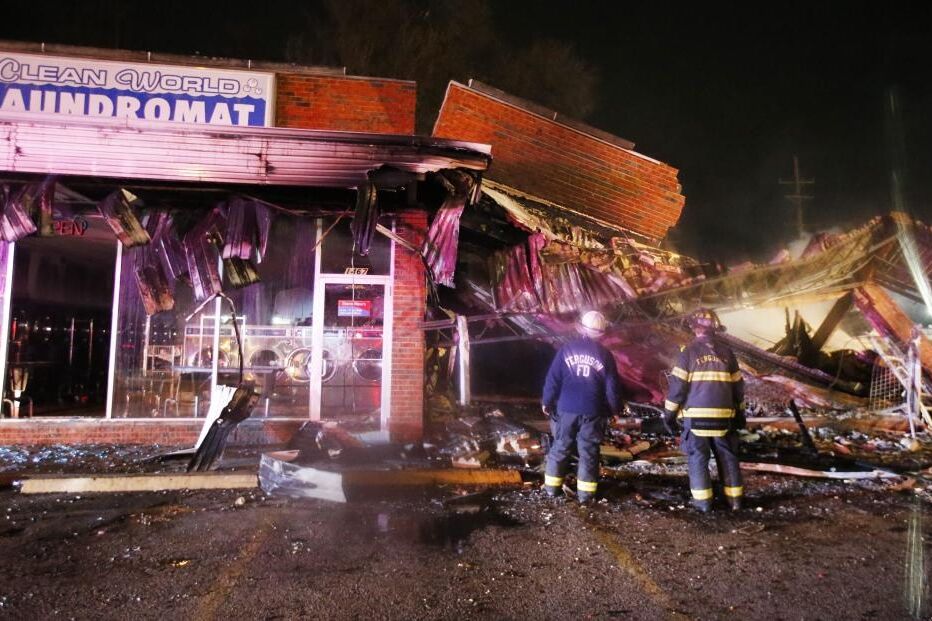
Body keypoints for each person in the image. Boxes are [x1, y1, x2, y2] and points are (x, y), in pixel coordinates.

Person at [663, 308, 746, 512]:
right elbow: (738, 388)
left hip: (696, 418)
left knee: (698, 458)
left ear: (693, 327)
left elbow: (677, 389)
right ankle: (735, 502)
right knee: (727, 457)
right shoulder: (727, 354)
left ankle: (703, 504)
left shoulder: (688, 353)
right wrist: (740, 414)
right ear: (715, 329)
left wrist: (669, 415)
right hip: (724, 418)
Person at [542, 310, 624, 503]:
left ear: (581, 328)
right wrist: (615, 410)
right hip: (593, 410)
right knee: (588, 451)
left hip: (566, 408)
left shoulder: (566, 349)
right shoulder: (605, 355)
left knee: (560, 446)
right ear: (601, 333)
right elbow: (612, 388)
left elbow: (553, 379)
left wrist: (547, 401)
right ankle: (586, 495)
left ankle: (551, 490)